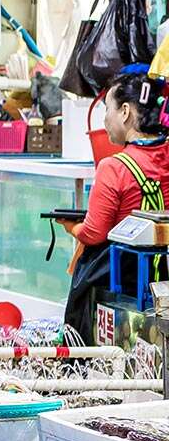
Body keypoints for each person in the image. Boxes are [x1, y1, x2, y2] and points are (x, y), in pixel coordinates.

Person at [61, 70, 169, 338]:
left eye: (107, 109)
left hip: (126, 286)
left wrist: (72, 227)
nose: (105, 119)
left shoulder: (113, 167)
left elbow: (94, 233)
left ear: (124, 112)